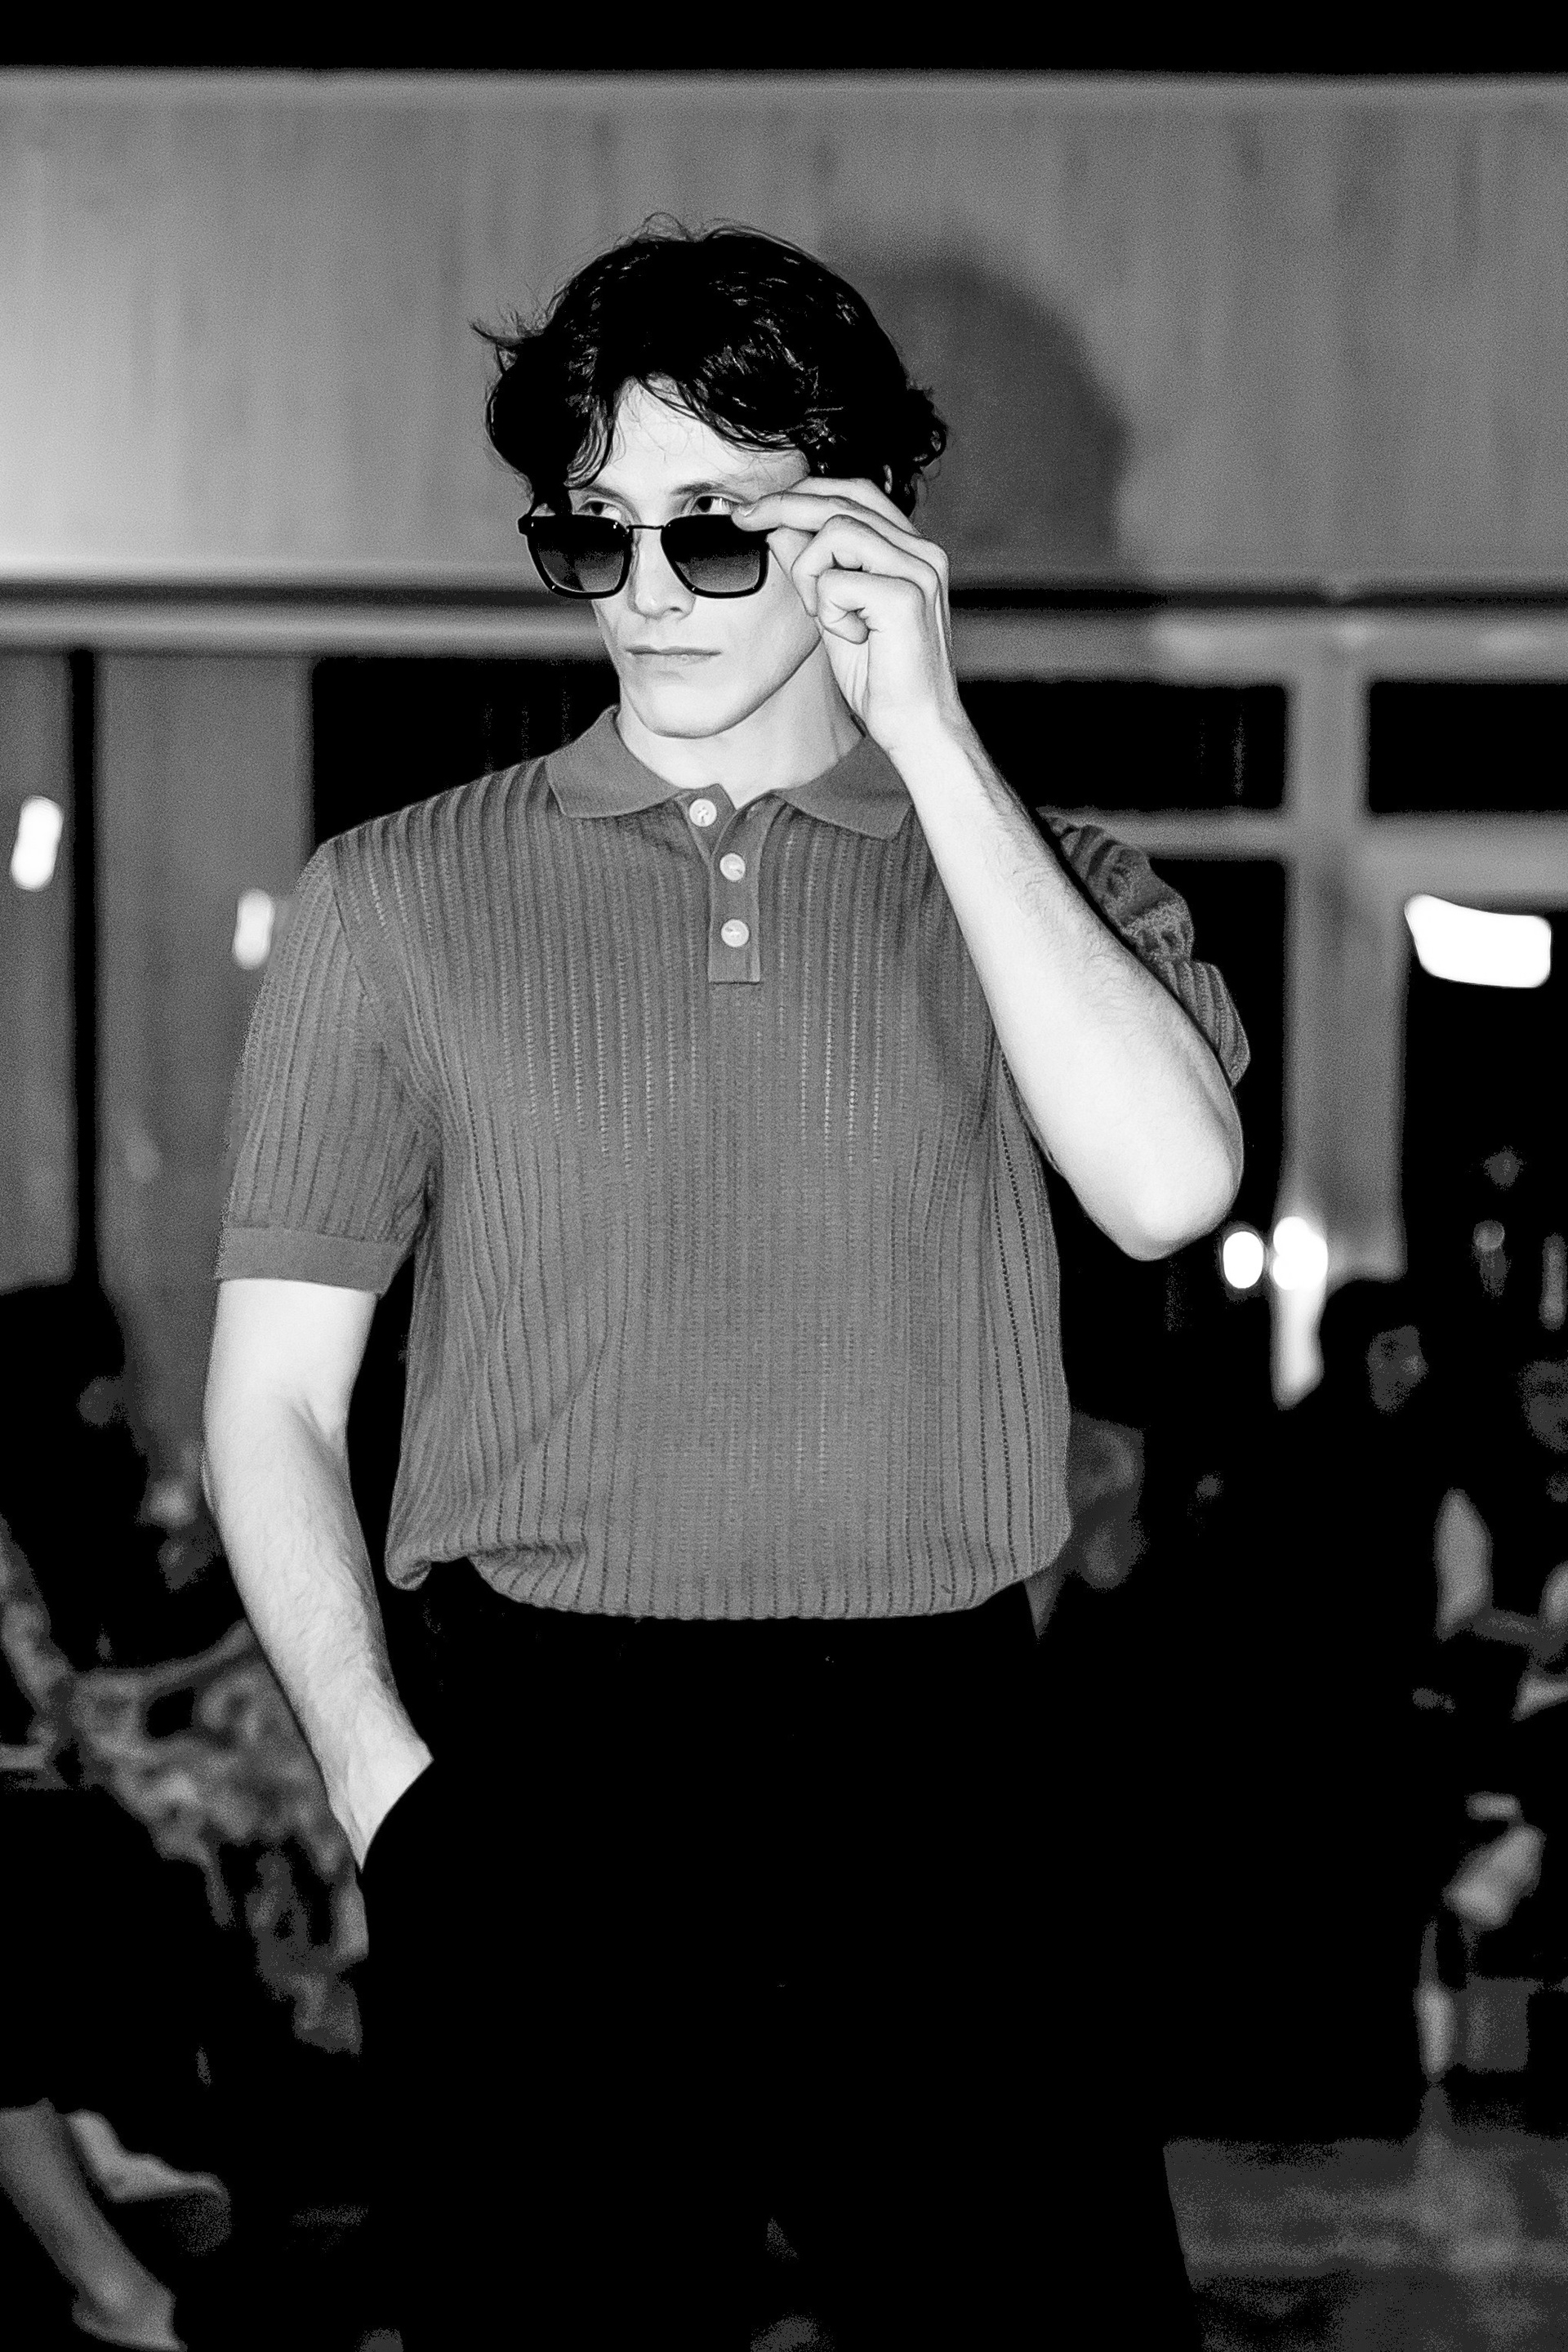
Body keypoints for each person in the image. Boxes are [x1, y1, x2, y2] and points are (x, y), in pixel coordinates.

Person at [202, 219, 1248, 2350]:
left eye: (714, 531)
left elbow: (1165, 1190)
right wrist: (391, 1794)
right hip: (545, 1770)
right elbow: (273, 1402)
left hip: (938, 1767)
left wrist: (929, 739)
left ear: (867, 525)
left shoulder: (1044, 887)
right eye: (595, 536)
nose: (649, 596)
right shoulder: (394, 900)